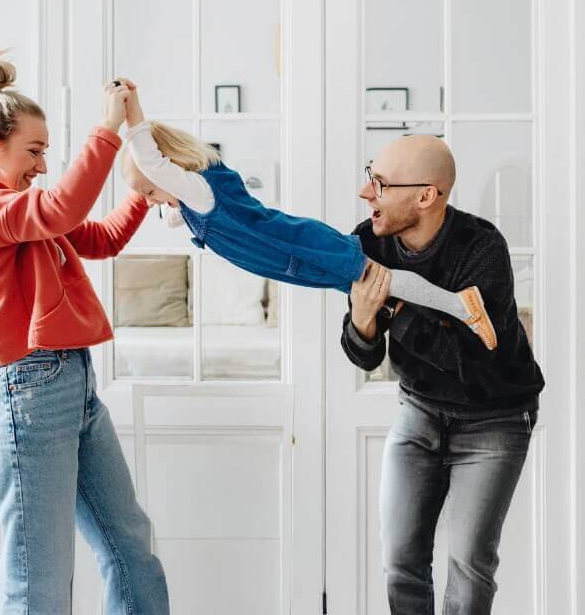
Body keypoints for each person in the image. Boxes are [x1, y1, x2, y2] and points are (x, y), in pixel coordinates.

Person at [0, 53, 170, 615]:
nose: (41, 165)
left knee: (129, 544)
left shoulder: (21, 209)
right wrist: (106, 129)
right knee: (40, 582)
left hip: (71, 382)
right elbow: (60, 209)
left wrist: (141, 192)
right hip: (25, 393)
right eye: (33, 151)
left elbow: (100, 238)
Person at [116, 78, 496, 350]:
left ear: (168, 166)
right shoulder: (186, 204)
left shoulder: (198, 191)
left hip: (298, 245)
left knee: (381, 281)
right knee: (377, 293)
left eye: (149, 191)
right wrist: (143, 191)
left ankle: (461, 305)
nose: (149, 201)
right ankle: (444, 313)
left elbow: (152, 163)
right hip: (289, 262)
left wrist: (132, 114)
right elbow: (164, 205)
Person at [340, 134, 545, 614]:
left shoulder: (481, 247)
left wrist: (395, 307)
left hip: (495, 418)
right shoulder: (370, 240)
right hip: (419, 411)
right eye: (371, 175)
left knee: (470, 566)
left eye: (380, 183)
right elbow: (365, 356)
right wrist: (365, 321)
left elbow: (472, 363)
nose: (366, 192)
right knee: (401, 562)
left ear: (426, 196)